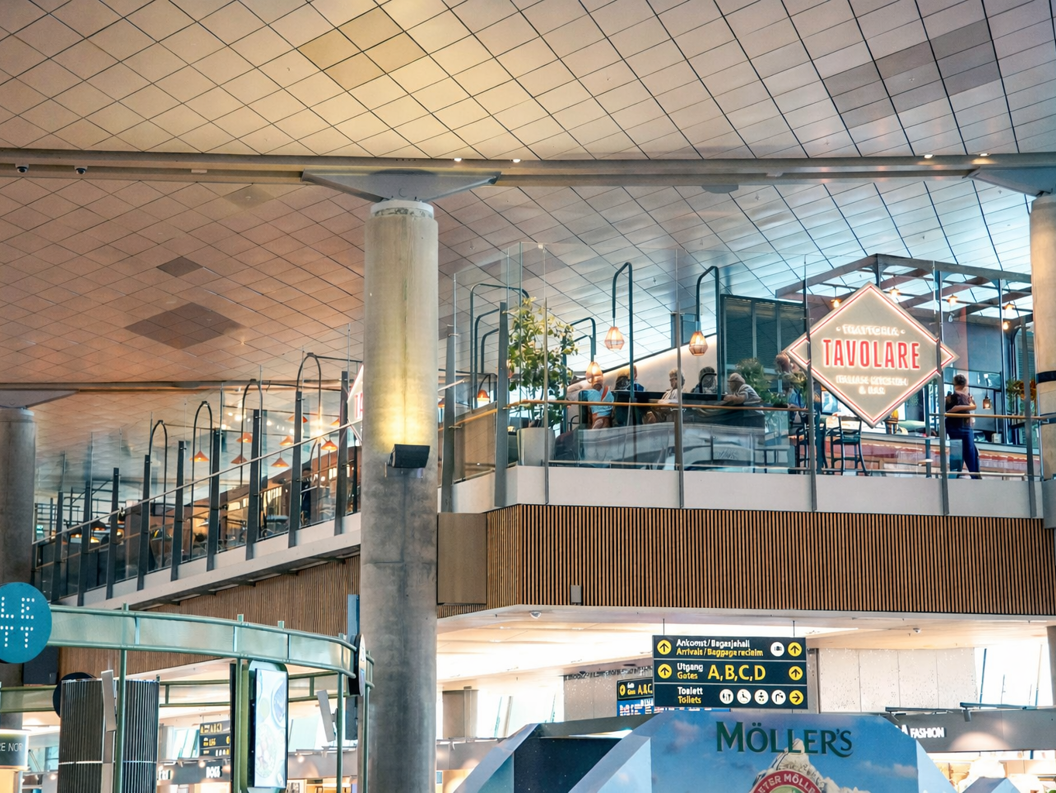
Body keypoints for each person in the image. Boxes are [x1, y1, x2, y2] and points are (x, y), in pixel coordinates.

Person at [945, 374, 980, 478]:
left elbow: (947, 411)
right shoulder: (967, 399)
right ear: (964, 385)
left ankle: (954, 478)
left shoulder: (950, 398)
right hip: (965, 427)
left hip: (954, 428)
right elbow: (973, 408)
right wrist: (972, 403)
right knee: (970, 452)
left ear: (954, 384)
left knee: (956, 454)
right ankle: (974, 477)